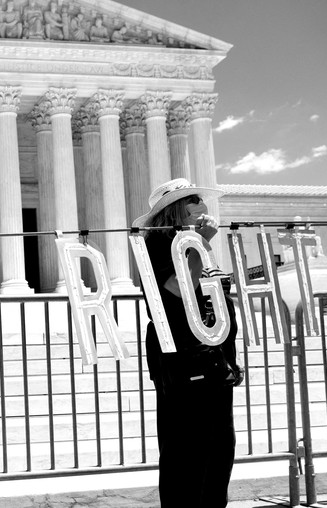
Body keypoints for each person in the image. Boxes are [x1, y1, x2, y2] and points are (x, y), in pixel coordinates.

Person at [132, 178, 244, 508]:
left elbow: (215, 304)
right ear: (176, 209)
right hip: (182, 363)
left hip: (214, 362)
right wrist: (198, 243)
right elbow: (175, 290)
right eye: (193, 199)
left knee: (219, 452)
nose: (201, 206)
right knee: (186, 454)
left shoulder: (195, 245)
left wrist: (230, 357)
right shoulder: (156, 245)